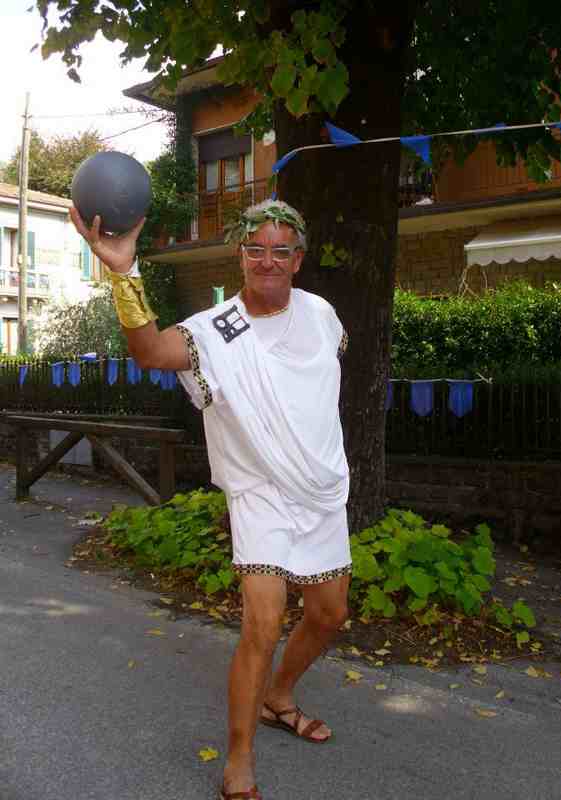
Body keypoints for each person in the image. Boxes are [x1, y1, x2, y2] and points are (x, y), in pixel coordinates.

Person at [70, 199, 352, 800]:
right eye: (256, 250)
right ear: (241, 255)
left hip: (322, 491)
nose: (268, 262)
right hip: (260, 494)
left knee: (330, 615)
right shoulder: (218, 329)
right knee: (263, 620)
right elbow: (149, 352)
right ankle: (240, 758)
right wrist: (123, 272)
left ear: (298, 260)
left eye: (281, 251)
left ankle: (280, 697)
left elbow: (320, 386)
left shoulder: (324, 315)